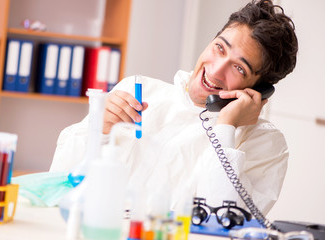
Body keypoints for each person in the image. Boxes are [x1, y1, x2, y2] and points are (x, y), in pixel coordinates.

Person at [50, 0, 298, 216]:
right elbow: (57, 181)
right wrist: (98, 130)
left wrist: (226, 127)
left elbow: (221, 221)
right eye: (219, 48)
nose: (216, 69)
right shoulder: (139, 90)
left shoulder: (266, 144)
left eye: (239, 68)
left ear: (258, 89)